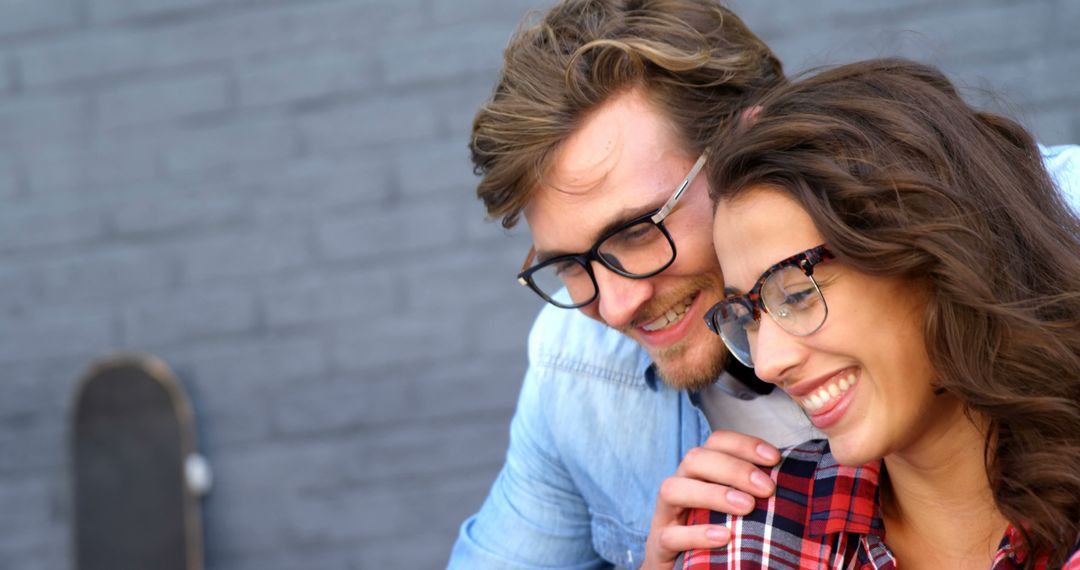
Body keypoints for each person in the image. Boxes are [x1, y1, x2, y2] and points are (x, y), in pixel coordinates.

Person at [448, 1, 1080, 568]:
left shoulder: (1055, 218)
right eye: (570, 267)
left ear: (750, 142)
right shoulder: (579, 367)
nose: (615, 305)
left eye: (638, 232)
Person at [682, 58, 1080, 569]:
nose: (767, 363)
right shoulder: (749, 537)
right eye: (748, 316)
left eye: (798, 295)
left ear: (938, 257)